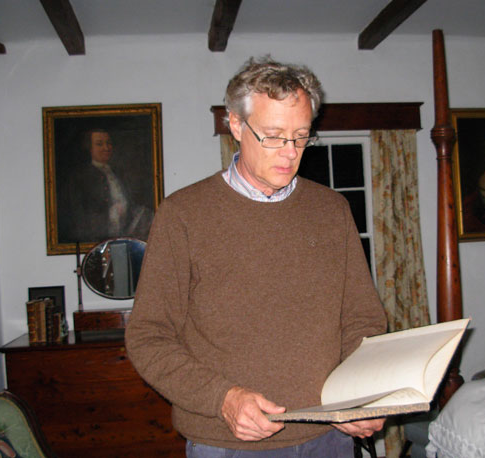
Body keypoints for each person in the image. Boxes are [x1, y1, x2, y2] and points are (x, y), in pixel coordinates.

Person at [125, 56, 387, 457]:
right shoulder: (183, 215)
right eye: (274, 136)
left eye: (301, 136)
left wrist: (359, 392)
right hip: (228, 442)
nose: (290, 152)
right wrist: (223, 398)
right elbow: (148, 337)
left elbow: (362, 321)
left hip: (328, 436)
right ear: (236, 125)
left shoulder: (332, 210)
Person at [61, 128, 153, 242]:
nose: (106, 148)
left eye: (108, 143)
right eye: (99, 144)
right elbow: (80, 215)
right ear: (90, 148)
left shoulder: (118, 172)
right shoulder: (81, 177)